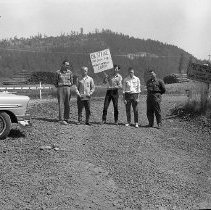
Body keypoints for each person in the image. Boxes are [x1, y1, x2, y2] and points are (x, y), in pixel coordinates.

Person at [55, 60, 73, 125]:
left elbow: (72, 81)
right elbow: (55, 81)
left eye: (68, 65)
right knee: (60, 104)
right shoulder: (58, 72)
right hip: (60, 88)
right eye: (66, 65)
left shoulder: (70, 72)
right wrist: (59, 86)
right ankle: (61, 119)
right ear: (62, 65)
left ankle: (66, 118)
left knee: (67, 103)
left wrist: (68, 86)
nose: (67, 66)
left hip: (68, 88)